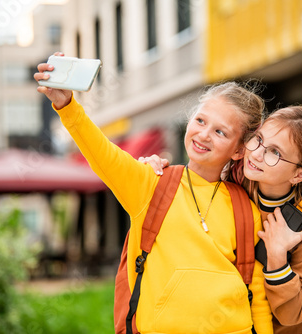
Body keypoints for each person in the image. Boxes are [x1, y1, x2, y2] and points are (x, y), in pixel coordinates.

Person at [34, 54, 273, 334]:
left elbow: (257, 290)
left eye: (220, 131)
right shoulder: (151, 183)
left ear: (238, 150)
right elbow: (102, 153)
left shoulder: (245, 206)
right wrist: (67, 106)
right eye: (200, 121)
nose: (204, 134)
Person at [143, 106, 302, 333]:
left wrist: (277, 256)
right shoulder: (239, 178)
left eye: (275, 153)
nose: (256, 154)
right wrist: (155, 171)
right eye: (258, 139)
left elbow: (294, 313)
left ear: (299, 174)